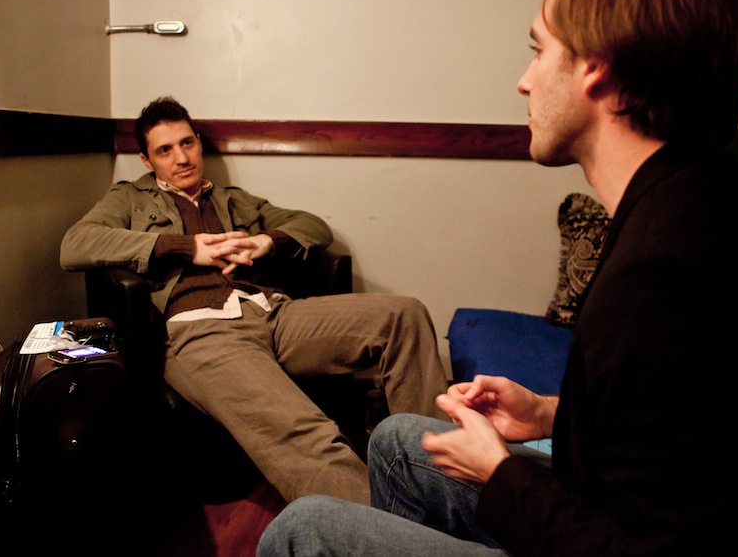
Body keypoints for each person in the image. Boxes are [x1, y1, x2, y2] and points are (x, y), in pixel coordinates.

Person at [256, 0, 738, 555]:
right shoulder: (707, 196)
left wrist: (499, 474)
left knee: (303, 530)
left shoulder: (665, 274)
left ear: (596, 68)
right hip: (669, 512)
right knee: (400, 442)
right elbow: (688, 432)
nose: (525, 81)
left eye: (539, 50)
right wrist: (547, 412)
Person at [60, 96, 450, 506]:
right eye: (165, 150)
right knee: (308, 435)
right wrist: (186, 247)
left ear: (198, 142)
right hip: (201, 331)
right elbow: (75, 245)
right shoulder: (130, 199)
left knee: (403, 314)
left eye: (187, 143)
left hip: (271, 312)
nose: (182, 158)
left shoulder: (232, 199)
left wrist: (266, 241)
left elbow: (314, 226)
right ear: (146, 159)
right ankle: (390, 533)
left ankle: (440, 482)